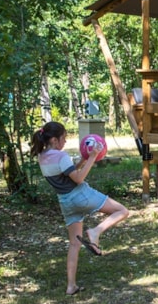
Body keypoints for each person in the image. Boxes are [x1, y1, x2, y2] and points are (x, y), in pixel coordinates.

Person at [31, 122, 130, 295]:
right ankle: (95, 232)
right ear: (54, 140)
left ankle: (71, 286)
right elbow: (78, 178)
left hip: (66, 202)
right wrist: (93, 157)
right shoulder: (61, 156)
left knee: (74, 243)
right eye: (63, 138)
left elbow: (67, 173)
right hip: (81, 195)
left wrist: (83, 160)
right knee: (122, 211)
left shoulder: (42, 157)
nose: (65, 141)